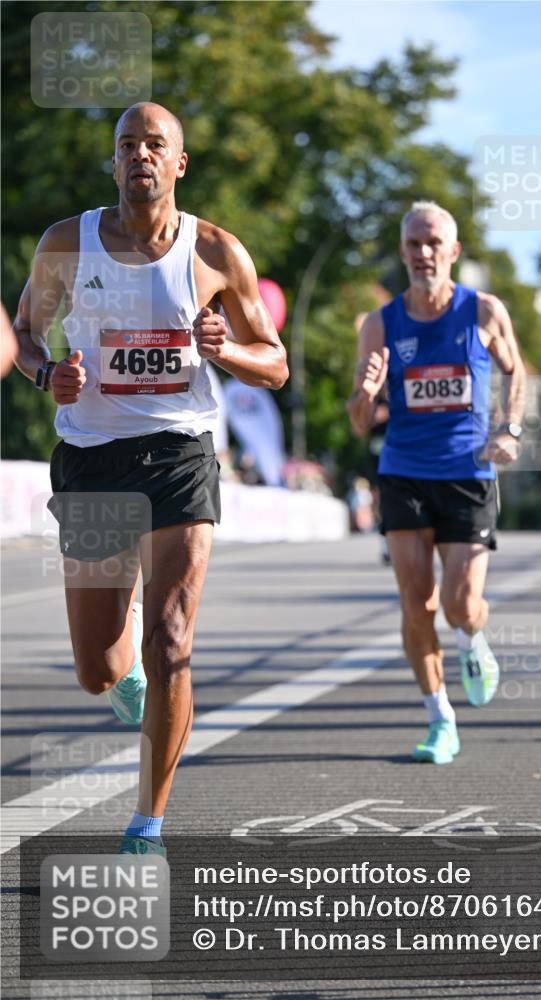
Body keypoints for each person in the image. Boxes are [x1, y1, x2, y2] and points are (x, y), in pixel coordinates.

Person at [12, 102, 288, 852]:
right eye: (126, 144)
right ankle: (121, 654)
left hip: (178, 453)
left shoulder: (217, 253)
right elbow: (26, 332)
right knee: (99, 671)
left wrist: (224, 350)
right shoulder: (66, 244)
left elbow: (276, 361)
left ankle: (149, 822)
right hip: (95, 456)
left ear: (179, 164)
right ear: (114, 163)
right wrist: (48, 376)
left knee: (173, 638)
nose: (139, 154)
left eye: (154, 144)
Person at [348, 200, 525, 764]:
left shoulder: (484, 311)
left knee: (460, 602)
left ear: (452, 251)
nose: (423, 253)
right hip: (403, 472)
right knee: (415, 602)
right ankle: (439, 718)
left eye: (433, 243)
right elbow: (357, 421)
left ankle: (473, 641)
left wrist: (510, 429)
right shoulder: (380, 324)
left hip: (469, 471)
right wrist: (366, 393)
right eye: (413, 244)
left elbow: (514, 369)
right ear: (402, 253)